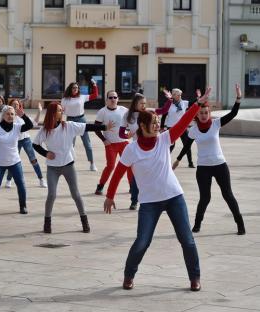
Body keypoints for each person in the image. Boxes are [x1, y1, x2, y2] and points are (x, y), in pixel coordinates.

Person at [104, 87, 212, 292]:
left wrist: (198, 104)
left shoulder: (164, 139)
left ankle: (195, 277)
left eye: (157, 123)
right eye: (153, 123)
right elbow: (118, 173)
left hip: (174, 197)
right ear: (143, 126)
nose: (157, 126)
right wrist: (109, 196)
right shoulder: (132, 149)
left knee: (187, 240)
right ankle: (128, 275)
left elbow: (181, 124)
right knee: (142, 241)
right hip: (149, 203)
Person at [173, 84, 246, 235]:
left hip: (220, 165)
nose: (204, 115)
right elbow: (187, 145)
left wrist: (238, 97)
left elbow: (233, 113)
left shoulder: (216, 123)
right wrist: (178, 160)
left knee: (228, 195)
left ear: (209, 112)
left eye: (206, 112)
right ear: (197, 115)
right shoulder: (193, 130)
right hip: (203, 168)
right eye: (201, 113)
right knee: (205, 198)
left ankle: (240, 224)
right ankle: (197, 224)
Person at [32, 102, 108, 233]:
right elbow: (35, 144)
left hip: (68, 165)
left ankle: (84, 221)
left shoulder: (68, 126)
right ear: (52, 113)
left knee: (76, 194)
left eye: (62, 110)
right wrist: (46, 153)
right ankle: (47, 223)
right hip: (53, 168)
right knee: (51, 195)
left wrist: (105, 127)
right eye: (59, 110)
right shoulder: (45, 130)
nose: (62, 112)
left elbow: (88, 127)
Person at [117, 93, 173, 210]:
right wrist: (128, 135)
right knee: (134, 177)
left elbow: (163, 110)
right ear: (135, 103)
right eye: (141, 103)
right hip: (136, 149)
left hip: (152, 147)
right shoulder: (128, 115)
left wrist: (170, 99)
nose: (144, 106)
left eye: (144, 103)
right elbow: (121, 133)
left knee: (154, 175)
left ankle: (158, 199)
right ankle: (134, 201)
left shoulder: (148, 113)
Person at [0, 105, 33, 214]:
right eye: (8, 114)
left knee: (21, 184)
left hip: (14, 161)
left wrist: (23, 115)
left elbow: (30, 125)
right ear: (3, 115)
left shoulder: (17, 127)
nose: (10, 116)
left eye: (12, 114)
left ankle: (23, 206)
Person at [94, 90, 133, 197]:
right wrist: (104, 140)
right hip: (110, 144)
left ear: (118, 99)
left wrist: (129, 132)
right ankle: (100, 186)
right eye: (110, 98)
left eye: (115, 97)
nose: (113, 100)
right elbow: (96, 128)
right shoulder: (102, 112)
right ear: (106, 100)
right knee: (110, 166)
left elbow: (132, 122)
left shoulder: (124, 110)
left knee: (129, 165)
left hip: (124, 143)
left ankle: (132, 186)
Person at [5, 99, 47, 188]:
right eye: (13, 104)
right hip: (15, 141)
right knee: (13, 161)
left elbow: (34, 123)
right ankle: (8, 180)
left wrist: (39, 111)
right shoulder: (9, 116)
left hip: (26, 139)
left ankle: (41, 179)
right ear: (10, 106)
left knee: (33, 159)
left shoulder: (23, 115)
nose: (16, 106)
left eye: (17, 104)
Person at [61, 80, 99, 171]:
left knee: (87, 143)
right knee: (70, 144)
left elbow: (95, 95)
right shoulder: (65, 99)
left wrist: (94, 85)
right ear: (70, 89)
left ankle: (92, 163)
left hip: (81, 119)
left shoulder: (82, 97)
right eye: (74, 88)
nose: (75, 89)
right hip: (70, 120)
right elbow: (61, 111)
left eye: (77, 88)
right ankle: (69, 162)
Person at [160, 88, 195, 168]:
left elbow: (194, 104)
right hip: (171, 127)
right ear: (173, 95)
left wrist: (198, 98)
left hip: (182, 127)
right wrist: (162, 127)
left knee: (187, 145)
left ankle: (190, 163)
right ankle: (165, 162)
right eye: (178, 95)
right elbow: (164, 116)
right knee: (171, 146)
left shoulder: (184, 103)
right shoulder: (169, 104)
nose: (180, 96)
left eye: (180, 95)